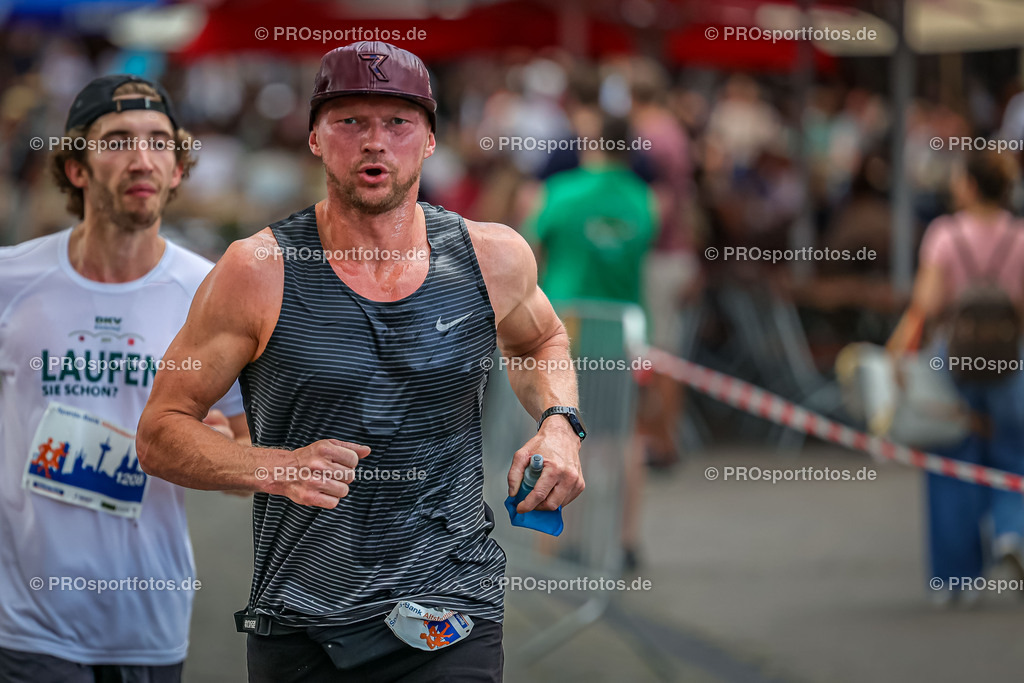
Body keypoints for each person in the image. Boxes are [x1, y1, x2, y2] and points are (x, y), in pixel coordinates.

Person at [136, 41, 585, 682]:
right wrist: (274, 466)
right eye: (350, 122)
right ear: (316, 138)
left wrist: (560, 424)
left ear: (430, 140)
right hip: (303, 617)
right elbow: (160, 431)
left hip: (450, 608)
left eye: (397, 123)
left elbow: (541, 342)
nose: (375, 142)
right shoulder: (259, 271)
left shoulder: (491, 258)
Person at [0, 75, 248, 682]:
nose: (142, 157)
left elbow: (246, 455)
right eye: (116, 141)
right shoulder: (10, 280)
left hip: (147, 619)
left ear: (180, 168)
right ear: (77, 168)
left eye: (160, 141)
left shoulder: (212, 292)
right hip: (25, 620)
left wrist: (217, 453)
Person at [888, 150, 1024, 605]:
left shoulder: (945, 234)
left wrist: (898, 350)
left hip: (955, 358)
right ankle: (1012, 531)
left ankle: (955, 581)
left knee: (953, 461)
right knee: (1014, 454)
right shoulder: (1020, 236)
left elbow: (926, 303)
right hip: (1011, 358)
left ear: (968, 185)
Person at [523, 114, 658, 570]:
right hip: (623, 333)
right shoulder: (644, 200)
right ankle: (626, 542)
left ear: (591, 141)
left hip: (564, 331)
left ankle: (556, 542)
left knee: (554, 429)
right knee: (624, 439)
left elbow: (526, 251)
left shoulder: (562, 192)